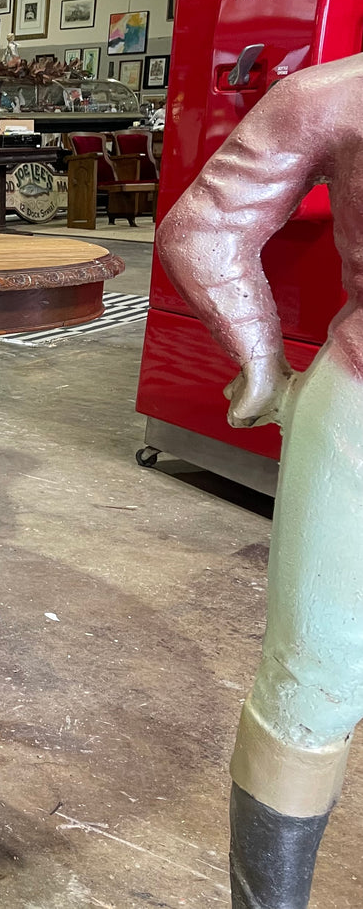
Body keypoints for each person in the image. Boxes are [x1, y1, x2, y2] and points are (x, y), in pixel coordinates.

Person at [157, 52, 363, 908]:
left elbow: (200, 229)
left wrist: (261, 365)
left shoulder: (336, 92)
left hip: (354, 411)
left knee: (309, 687)